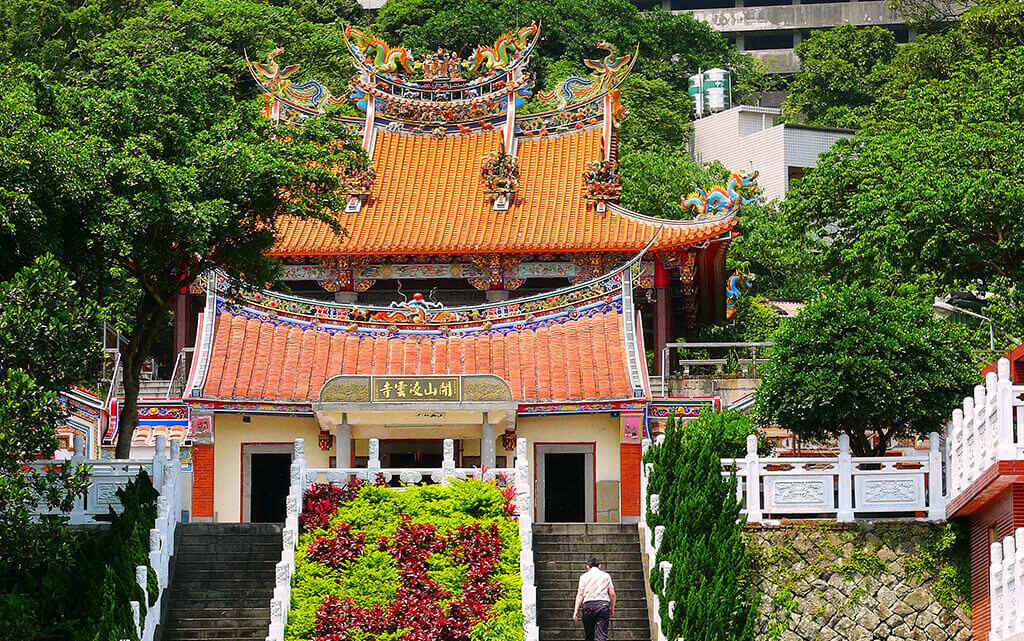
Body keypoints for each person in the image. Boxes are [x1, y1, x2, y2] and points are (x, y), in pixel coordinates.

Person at [573, 557, 616, 641]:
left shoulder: (583, 577)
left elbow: (580, 594)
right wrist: (612, 607)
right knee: (602, 636)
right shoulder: (606, 575)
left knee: (589, 635)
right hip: (603, 605)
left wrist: (576, 610)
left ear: (587, 567)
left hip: (588, 606)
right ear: (599, 566)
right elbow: (612, 594)